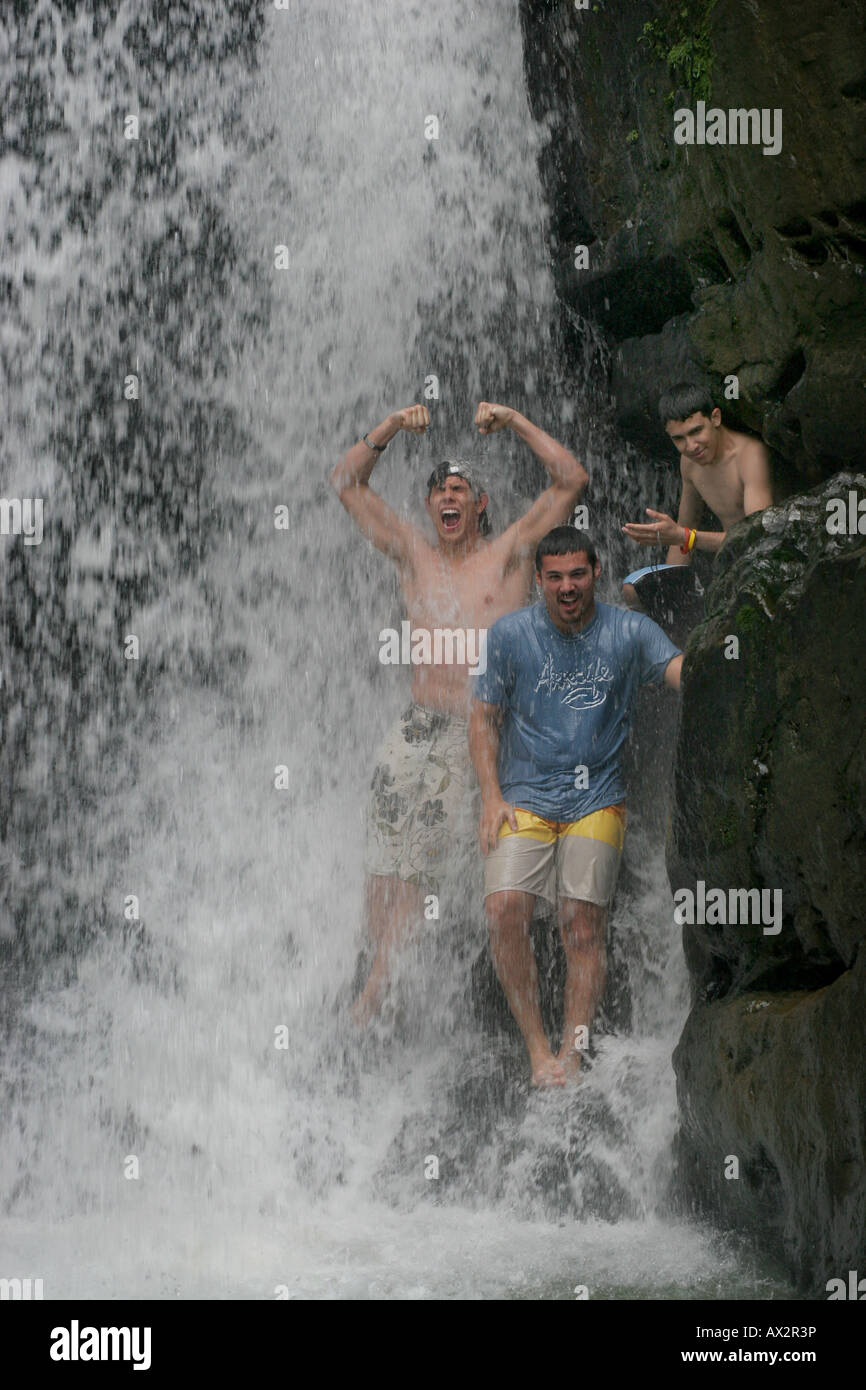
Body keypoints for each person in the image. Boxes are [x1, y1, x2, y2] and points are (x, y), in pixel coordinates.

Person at [330, 402, 588, 1025]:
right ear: (428, 509)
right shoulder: (412, 554)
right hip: (417, 724)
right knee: (383, 848)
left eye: (458, 489)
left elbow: (571, 480)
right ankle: (377, 964)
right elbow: (346, 482)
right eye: (437, 491)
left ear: (481, 502)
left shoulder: (510, 553)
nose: (446, 498)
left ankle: (382, 988)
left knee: (424, 851)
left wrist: (517, 420)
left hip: (485, 730)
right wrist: (390, 426)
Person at [469, 525, 682, 1087]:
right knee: (503, 908)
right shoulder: (510, 635)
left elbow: (681, 671)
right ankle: (538, 1049)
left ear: (596, 573)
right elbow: (482, 718)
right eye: (556, 576)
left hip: (597, 800)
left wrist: (732, 649)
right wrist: (489, 797)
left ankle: (573, 1051)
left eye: (578, 574)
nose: (568, 587)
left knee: (581, 925)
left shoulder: (629, 630)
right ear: (539, 579)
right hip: (523, 799)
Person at [621, 383, 773, 613]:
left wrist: (685, 537)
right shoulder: (689, 463)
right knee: (634, 589)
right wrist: (668, 591)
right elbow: (684, 529)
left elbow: (756, 539)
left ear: (716, 418)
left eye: (696, 431)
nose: (691, 446)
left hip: (766, 566)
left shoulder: (750, 456)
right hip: (729, 568)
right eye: (679, 439)